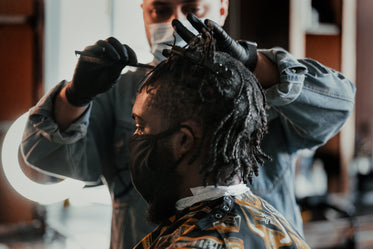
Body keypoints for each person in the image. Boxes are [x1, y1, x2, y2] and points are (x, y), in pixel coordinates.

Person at [21, 0, 355, 248]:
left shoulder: (260, 85)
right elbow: (41, 170)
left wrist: (256, 64)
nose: (175, 21)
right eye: (160, 9)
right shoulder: (120, 92)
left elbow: (337, 105)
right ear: (142, 9)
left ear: (221, 9)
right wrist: (74, 96)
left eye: (192, 7)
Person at [129, 34, 310, 249]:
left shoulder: (195, 243)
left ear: (183, 141)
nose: (135, 137)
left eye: (141, 127)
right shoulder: (274, 221)